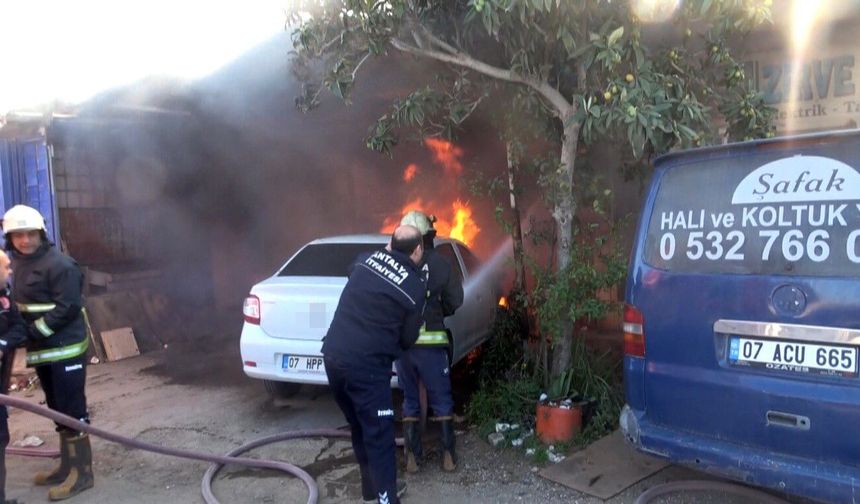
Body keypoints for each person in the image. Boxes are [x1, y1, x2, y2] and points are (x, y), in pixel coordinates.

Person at [322, 225, 427, 504]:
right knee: (380, 438)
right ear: (418, 250)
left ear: (390, 244)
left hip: (333, 358)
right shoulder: (415, 287)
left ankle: (372, 491)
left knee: (360, 427)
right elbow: (407, 339)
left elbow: (355, 271)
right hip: (366, 369)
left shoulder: (364, 260)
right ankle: (387, 499)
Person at [2, 205, 93, 501]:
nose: (25, 240)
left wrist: (30, 332)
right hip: (43, 350)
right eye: (18, 235)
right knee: (56, 408)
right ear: (9, 238)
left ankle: (83, 475)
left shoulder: (61, 265)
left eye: (30, 234)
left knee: (73, 410)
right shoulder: (17, 263)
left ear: (41, 233)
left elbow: (69, 307)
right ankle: (67, 467)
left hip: (65, 349)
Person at [395, 211, 464, 473]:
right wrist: (438, 312)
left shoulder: (395, 265)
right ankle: (448, 456)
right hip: (433, 347)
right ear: (429, 237)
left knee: (410, 400)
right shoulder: (441, 264)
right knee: (442, 399)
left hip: (404, 348)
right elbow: (455, 300)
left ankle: (412, 458)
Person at [0, 250, 28, 504]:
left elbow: (19, 327)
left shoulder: (4, 295)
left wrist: (2, 344)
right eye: (6, 268)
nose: (10, 272)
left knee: (1, 440)